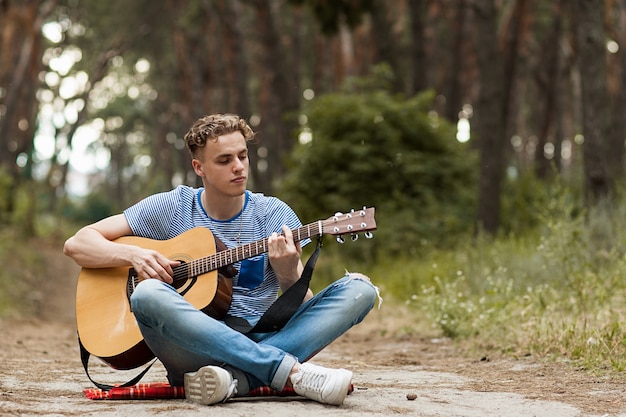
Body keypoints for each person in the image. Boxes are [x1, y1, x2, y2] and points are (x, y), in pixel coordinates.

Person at [64, 113, 380, 406]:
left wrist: (287, 275)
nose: (239, 167)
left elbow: (302, 307)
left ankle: (235, 381)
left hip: (265, 335)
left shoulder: (273, 215)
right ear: (199, 167)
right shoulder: (175, 207)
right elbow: (77, 243)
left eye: (243, 156)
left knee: (360, 289)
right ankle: (288, 372)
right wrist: (132, 253)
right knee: (146, 293)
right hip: (190, 349)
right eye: (225, 160)